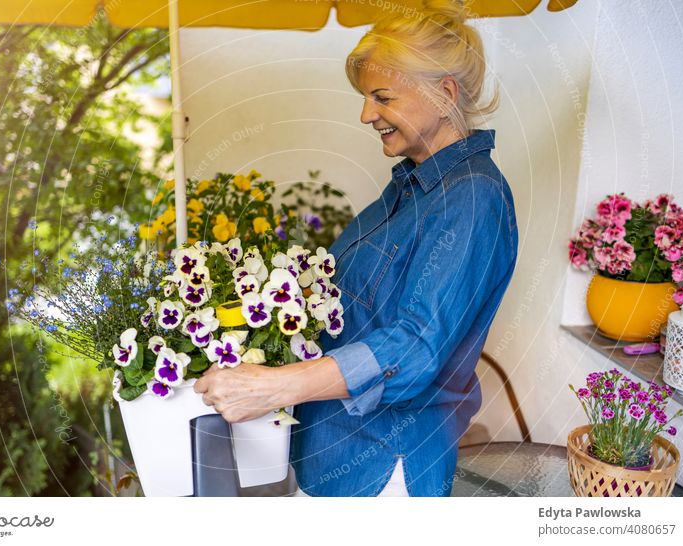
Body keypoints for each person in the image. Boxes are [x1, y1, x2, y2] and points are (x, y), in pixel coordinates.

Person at [194, 0, 518, 496]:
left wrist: (274, 386)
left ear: (444, 94)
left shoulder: (473, 197)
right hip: (331, 450)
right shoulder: (408, 191)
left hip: (383, 468)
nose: (367, 114)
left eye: (382, 97)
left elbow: (415, 347)